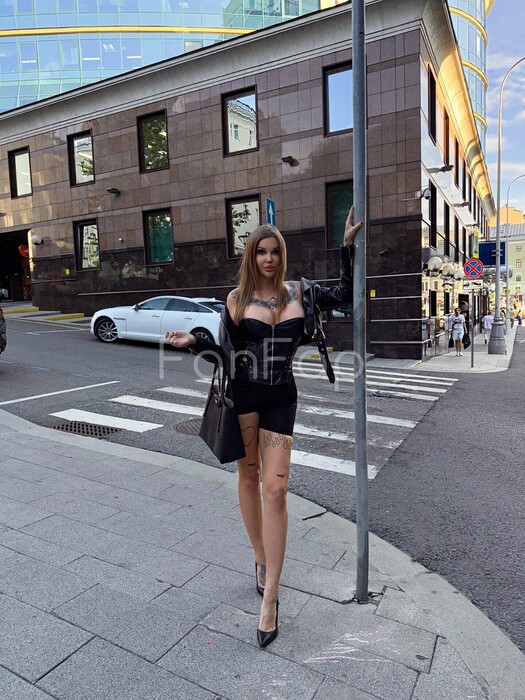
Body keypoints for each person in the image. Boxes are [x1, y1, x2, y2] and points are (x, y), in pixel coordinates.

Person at [166, 208, 363, 648]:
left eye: (275, 252)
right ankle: (259, 557)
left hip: (280, 398)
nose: (269, 259)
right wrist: (195, 341)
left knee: (276, 490)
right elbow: (226, 354)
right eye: (261, 252)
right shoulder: (237, 299)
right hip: (244, 398)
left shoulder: (301, 292)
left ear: (282, 255)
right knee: (248, 476)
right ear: (251, 256)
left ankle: (270, 596)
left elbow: (346, 296)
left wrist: (347, 247)